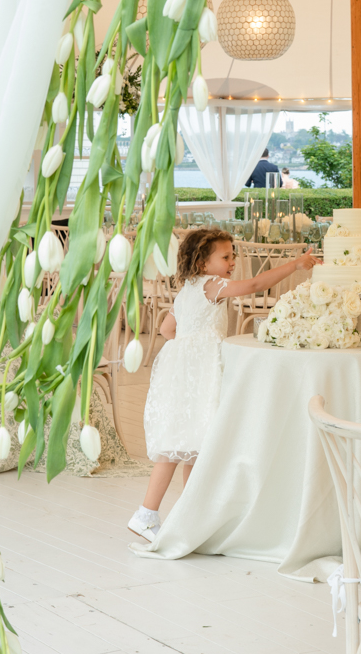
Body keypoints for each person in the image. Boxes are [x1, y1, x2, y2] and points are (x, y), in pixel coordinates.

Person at [128, 228, 320, 540]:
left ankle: (188, 515)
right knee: (185, 447)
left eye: (233, 255)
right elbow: (256, 285)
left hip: (181, 371)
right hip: (200, 371)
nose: (233, 261)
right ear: (203, 263)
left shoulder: (188, 288)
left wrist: (191, 341)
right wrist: (296, 265)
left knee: (190, 445)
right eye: (226, 256)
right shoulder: (212, 285)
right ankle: (146, 514)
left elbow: (166, 330)